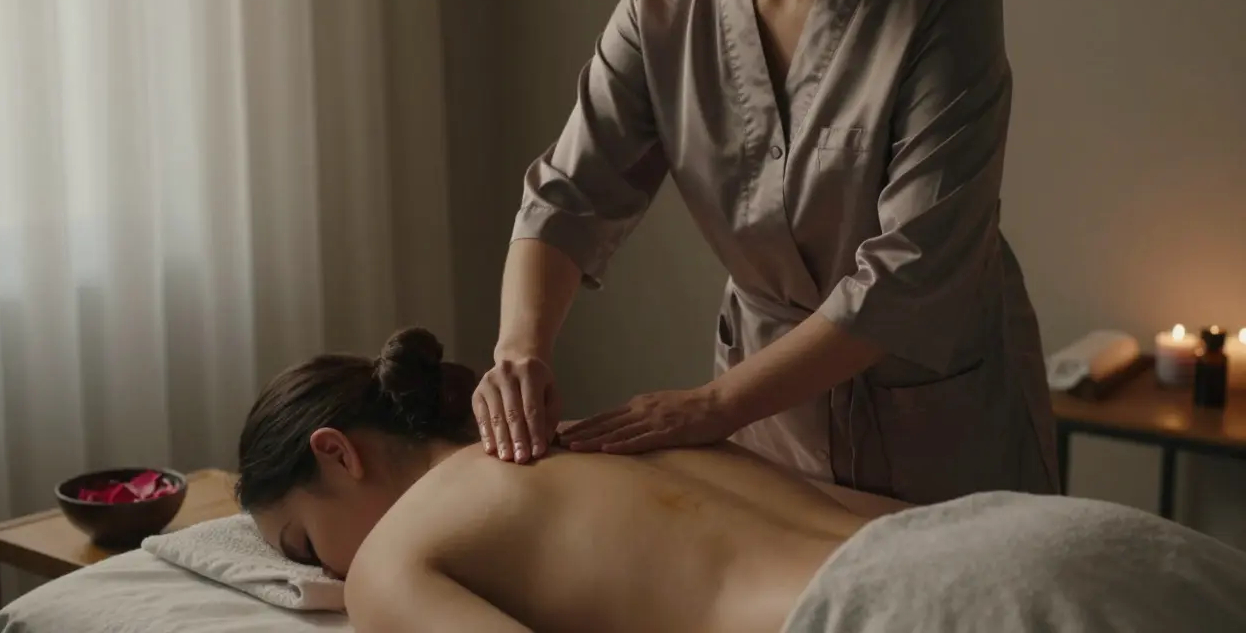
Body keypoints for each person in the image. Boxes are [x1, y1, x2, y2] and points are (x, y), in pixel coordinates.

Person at [471, 0, 1059, 505]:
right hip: (767, 423)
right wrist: (520, 350)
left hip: (937, 423)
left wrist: (716, 404)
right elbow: (569, 192)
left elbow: (914, 268)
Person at [238, 330, 1246, 633]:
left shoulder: (393, 561)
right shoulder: (606, 438)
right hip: (1040, 538)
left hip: (892, 612)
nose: (318, 574)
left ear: (339, 453)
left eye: (300, 544)